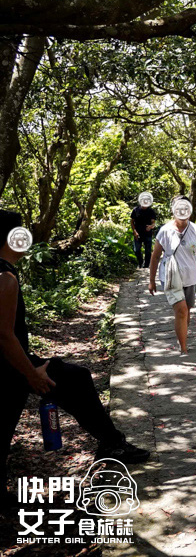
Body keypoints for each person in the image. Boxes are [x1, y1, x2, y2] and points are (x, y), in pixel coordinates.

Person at [0, 210, 149, 509]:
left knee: (74, 378)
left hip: (14, 362)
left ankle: (112, 443)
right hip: (10, 365)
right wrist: (31, 373)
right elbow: (3, 335)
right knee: (73, 378)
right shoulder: (4, 278)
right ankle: (113, 444)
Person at [149, 195, 196, 355]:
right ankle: (183, 349)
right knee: (181, 310)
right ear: (173, 210)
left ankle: (182, 337)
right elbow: (155, 257)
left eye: (185, 207)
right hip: (169, 276)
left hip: (191, 278)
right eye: (178, 207)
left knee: (186, 311)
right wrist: (151, 281)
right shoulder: (165, 231)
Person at [130, 197, 158, 269]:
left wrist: (151, 226)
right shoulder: (135, 210)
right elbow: (132, 221)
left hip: (147, 234)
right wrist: (134, 231)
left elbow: (153, 223)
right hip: (137, 233)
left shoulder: (151, 211)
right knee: (137, 250)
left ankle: (146, 265)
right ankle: (140, 262)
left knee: (148, 251)